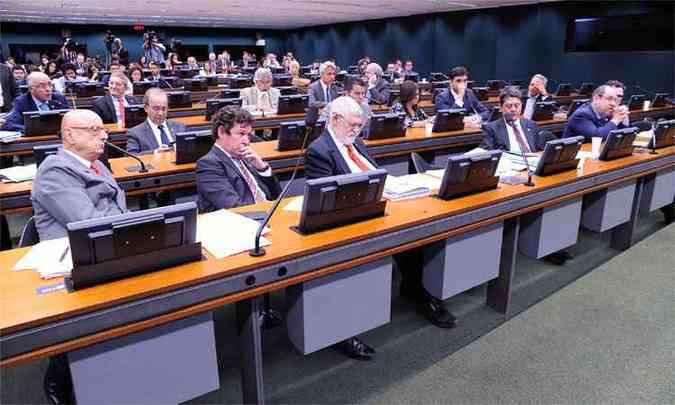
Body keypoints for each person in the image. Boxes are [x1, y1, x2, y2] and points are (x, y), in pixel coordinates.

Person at [31, 109, 127, 404]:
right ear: (69, 135)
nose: (104, 135)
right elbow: (89, 222)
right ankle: (60, 372)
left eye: (103, 130)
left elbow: (116, 212)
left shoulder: (96, 165)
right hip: (74, 262)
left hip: (108, 249)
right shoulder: (55, 170)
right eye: (94, 130)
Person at [196, 105, 280, 212]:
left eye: (248, 135)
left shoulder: (246, 157)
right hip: (243, 221)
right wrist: (265, 211)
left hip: (267, 213)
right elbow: (233, 207)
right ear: (221, 132)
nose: (247, 141)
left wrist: (262, 168)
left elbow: (277, 195)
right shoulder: (208, 164)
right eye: (241, 134)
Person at [480, 86, 555, 152]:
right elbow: (488, 154)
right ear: (501, 107)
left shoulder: (531, 125)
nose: (513, 109)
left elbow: (539, 150)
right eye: (509, 106)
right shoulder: (491, 128)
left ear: (521, 105)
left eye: (517, 105)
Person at [1, 72, 69, 132]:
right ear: (31, 89)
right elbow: (9, 125)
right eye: (42, 86)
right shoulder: (22, 102)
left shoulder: (59, 98)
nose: (48, 89)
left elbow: (70, 119)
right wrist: (34, 130)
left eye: (50, 85)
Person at [126, 88, 186, 154]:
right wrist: (155, 152)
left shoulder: (179, 127)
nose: (160, 113)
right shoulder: (135, 133)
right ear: (146, 108)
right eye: (156, 108)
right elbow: (131, 157)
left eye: (163, 109)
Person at [562, 84, 629, 141]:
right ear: (596, 98)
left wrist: (624, 118)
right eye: (609, 99)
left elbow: (620, 136)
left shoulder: (606, 113)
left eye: (615, 100)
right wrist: (615, 120)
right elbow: (597, 137)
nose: (613, 104)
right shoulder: (582, 115)